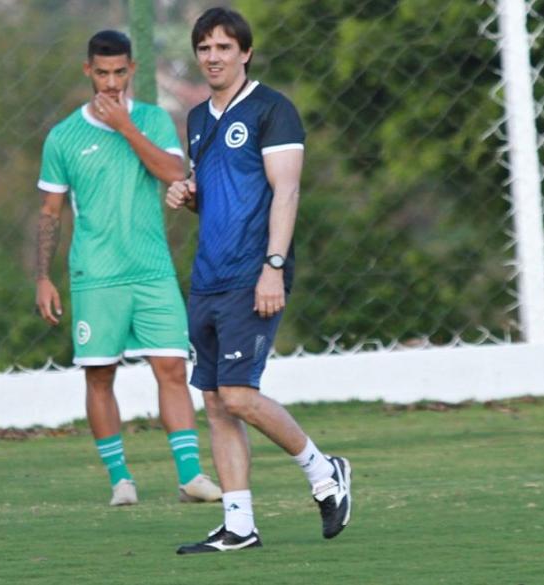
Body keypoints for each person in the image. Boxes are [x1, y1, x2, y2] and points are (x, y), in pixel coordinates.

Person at [165, 8, 351, 553]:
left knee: (240, 396)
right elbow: (225, 197)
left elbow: (285, 193)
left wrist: (273, 267)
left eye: (225, 47)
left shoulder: (273, 110)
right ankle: (239, 525)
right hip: (208, 277)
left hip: (254, 274)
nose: (214, 57)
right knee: (217, 404)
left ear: (245, 52)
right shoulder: (199, 118)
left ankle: (324, 471)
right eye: (205, 48)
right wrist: (189, 197)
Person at [35, 30, 221, 507]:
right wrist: (43, 277)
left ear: (132, 70)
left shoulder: (154, 120)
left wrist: (126, 128)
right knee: (99, 376)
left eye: (120, 72)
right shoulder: (64, 136)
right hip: (95, 276)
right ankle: (121, 480)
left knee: (173, 370)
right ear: (88, 72)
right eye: (102, 73)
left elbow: (175, 174)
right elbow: (51, 212)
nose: (111, 82)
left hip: (152, 270)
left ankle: (191, 477)